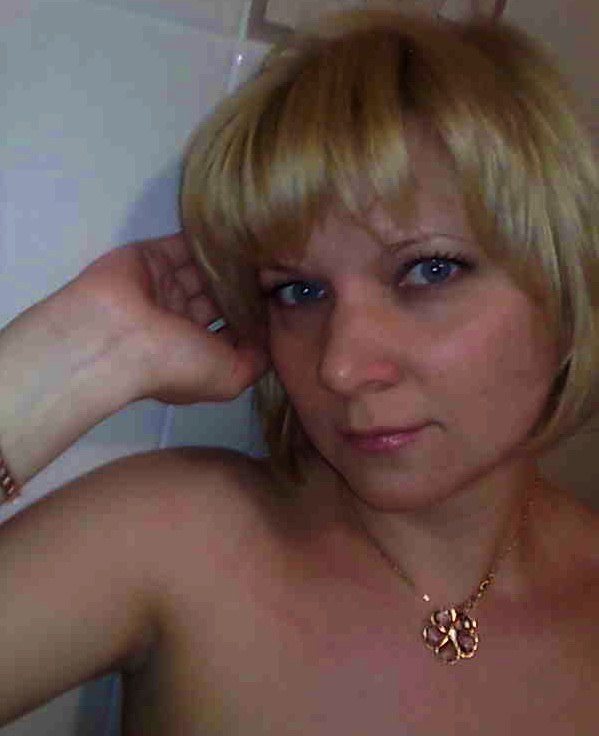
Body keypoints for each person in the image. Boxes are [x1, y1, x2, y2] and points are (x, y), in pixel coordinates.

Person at [0, 6, 598, 734]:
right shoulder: (180, 542)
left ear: (565, 283)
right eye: (299, 292)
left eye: (429, 270)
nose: (341, 367)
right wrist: (75, 355)